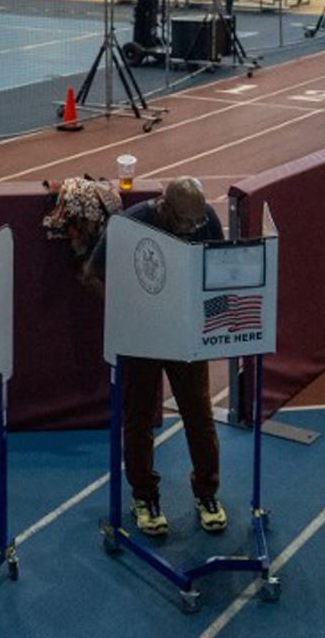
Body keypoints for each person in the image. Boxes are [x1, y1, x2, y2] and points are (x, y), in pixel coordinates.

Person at [78, 177, 227, 537]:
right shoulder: (131, 224)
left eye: (197, 221)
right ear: (165, 207)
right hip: (141, 337)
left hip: (185, 334)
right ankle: (144, 496)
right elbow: (90, 275)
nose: (195, 227)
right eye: (186, 223)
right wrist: (127, 310)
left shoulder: (205, 217)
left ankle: (207, 494)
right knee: (139, 419)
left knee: (199, 415)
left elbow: (218, 269)